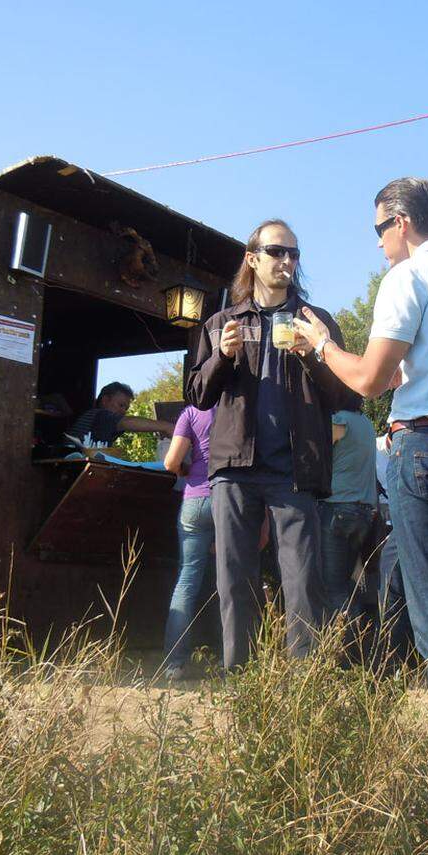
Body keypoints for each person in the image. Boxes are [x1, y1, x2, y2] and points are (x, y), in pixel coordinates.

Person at [294, 177, 428, 752]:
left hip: (419, 444)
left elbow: (370, 380)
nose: (379, 242)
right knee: (418, 589)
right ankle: (395, 708)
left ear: (401, 222)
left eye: (380, 229)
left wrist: (320, 345)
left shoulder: (408, 275)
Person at [185, 219, 350, 670]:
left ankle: (302, 687)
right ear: (252, 258)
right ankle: (239, 678)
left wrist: (314, 354)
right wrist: (223, 356)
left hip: (295, 470)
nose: (287, 262)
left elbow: (343, 396)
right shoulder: (223, 322)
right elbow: (197, 394)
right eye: (277, 251)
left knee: (302, 582)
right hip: (235, 468)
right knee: (234, 579)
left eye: (294, 254)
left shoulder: (316, 323)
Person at [160, 404, 216, 680]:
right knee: (231, 579)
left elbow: (170, 462)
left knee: (187, 581)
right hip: (231, 500)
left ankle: (175, 664)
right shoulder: (240, 406)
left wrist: (187, 471)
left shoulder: (192, 414)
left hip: (195, 500)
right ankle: (229, 659)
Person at [319, 394, 378, 624]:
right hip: (363, 512)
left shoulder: (339, 421)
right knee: (347, 583)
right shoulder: (366, 424)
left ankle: (341, 651)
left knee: (333, 587)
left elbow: (319, 454)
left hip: (337, 508)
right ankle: (357, 641)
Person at [66, 382, 174, 445]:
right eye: (121, 405)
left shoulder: (96, 421)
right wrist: (167, 427)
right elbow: (127, 422)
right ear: (105, 400)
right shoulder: (100, 416)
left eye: (126, 408)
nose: (123, 411)